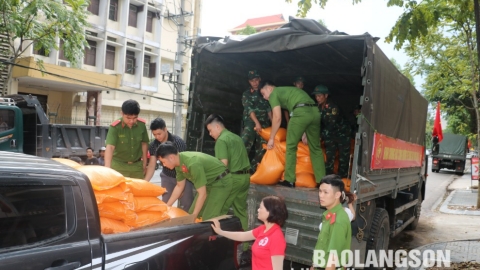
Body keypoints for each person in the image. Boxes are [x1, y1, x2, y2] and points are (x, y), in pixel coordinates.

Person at [259, 80, 326, 188]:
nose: (264, 97)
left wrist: (271, 138)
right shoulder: (289, 91)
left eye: (263, 94)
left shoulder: (274, 94)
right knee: (316, 148)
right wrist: (304, 132)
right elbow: (304, 109)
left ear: (269, 89)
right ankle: (323, 181)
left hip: (301, 112)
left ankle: (289, 179)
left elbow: (277, 117)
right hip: (315, 112)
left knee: (290, 146)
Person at [205, 114, 250, 249]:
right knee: (240, 212)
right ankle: (245, 246)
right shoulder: (236, 137)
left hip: (233, 179)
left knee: (221, 209)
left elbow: (222, 164)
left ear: (217, 127)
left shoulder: (221, 140)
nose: (210, 134)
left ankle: (222, 247)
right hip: (246, 178)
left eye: (210, 130)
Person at [156, 142, 232, 220]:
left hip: (221, 183)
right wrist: (167, 206)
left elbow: (202, 194)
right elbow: (179, 186)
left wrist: (193, 217)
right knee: (192, 213)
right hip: (209, 184)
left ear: (171, 157)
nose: (164, 165)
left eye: (163, 162)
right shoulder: (178, 164)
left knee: (208, 218)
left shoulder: (192, 163)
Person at [210, 195, 288, 270]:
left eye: (261, 208)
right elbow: (242, 236)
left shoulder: (277, 237)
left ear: (270, 212)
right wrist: (220, 231)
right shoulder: (262, 229)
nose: (258, 210)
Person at [145, 117, 194, 211]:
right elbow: (151, 165)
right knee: (166, 203)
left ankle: (185, 224)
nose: (157, 137)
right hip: (167, 176)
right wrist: (144, 182)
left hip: (184, 175)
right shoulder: (153, 145)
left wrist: (182, 187)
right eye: (154, 134)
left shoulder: (178, 142)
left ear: (165, 129)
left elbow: (183, 164)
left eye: (159, 134)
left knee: (186, 204)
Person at [312, 175, 352, 270]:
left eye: (326, 192)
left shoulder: (338, 221)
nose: (321, 195)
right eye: (320, 191)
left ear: (337, 195)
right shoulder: (330, 215)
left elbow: (332, 259)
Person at [312, 85, 351, 178]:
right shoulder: (317, 107)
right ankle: (327, 178)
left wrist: (320, 136)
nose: (317, 98)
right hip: (329, 135)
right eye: (316, 96)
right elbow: (318, 123)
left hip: (342, 134)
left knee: (343, 157)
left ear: (326, 95)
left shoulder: (333, 107)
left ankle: (342, 178)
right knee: (329, 156)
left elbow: (331, 124)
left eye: (320, 96)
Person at [104, 99, 149, 178]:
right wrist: (107, 169)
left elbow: (144, 144)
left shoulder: (141, 125)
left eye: (135, 118)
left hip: (137, 167)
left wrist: (145, 163)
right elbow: (110, 147)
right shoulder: (115, 127)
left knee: (138, 189)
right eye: (128, 118)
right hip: (118, 167)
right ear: (122, 113)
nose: (131, 121)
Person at [241, 70, 272, 173]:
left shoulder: (264, 92)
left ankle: (253, 169)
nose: (254, 83)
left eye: (256, 80)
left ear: (260, 79)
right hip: (251, 123)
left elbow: (269, 110)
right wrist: (256, 123)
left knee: (263, 148)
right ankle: (240, 168)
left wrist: (272, 125)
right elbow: (249, 110)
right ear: (249, 82)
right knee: (244, 143)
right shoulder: (246, 94)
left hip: (264, 124)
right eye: (252, 81)